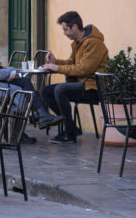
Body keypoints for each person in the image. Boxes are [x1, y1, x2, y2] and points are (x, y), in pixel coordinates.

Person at [0, 18, 64, 143]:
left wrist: (8, 72)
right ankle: (20, 132)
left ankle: (41, 114)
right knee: (19, 91)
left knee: (25, 82)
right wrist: (9, 71)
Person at [40, 11, 108, 144]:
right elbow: (72, 64)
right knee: (46, 91)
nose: (64, 33)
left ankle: (69, 134)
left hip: (93, 87)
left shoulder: (94, 43)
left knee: (60, 89)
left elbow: (83, 69)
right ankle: (73, 128)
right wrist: (55, 62)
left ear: (75, 27)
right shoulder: (78, 43)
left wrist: (57, 68)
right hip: (81, 84)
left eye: (65, 29)